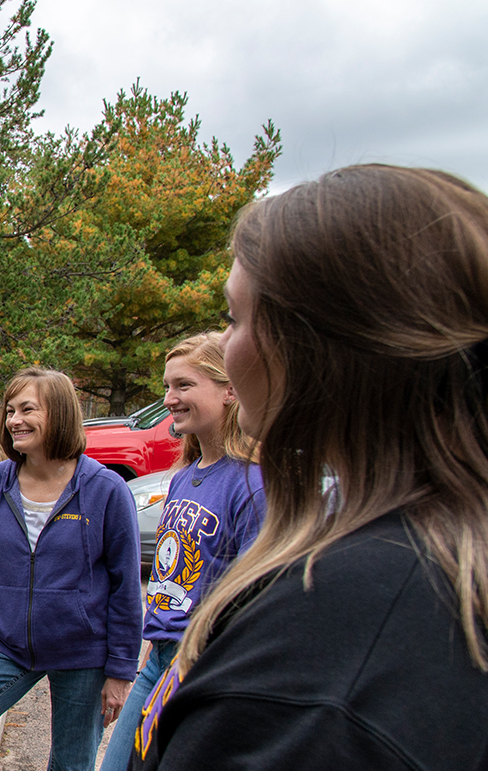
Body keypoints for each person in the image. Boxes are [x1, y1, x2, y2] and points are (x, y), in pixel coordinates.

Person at [135, 165, 488, 769]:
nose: (229, 345)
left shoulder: (315, 660)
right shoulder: (441, 557)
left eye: (235, 318)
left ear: (312, 348)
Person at [0, 367, 141, 771]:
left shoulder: (107, 490)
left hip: (83, 654)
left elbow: (127, 587)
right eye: (9, 411)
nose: (14, 420)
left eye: (27, 409)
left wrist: (121, 670)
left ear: (58, 414)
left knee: (71, 766)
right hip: (9, 646)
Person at [97, 333, 263, 771]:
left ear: (230, 390)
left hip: (204, 665)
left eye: (184, 385)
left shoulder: (253, 483)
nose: (170, 398)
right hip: (160, 660)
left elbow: (253, 601)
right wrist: (153, 651)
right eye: (167, 386)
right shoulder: (183, 477)